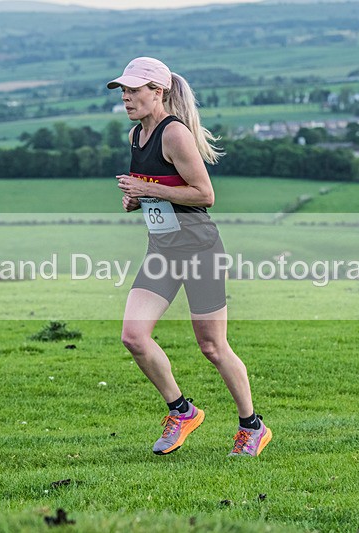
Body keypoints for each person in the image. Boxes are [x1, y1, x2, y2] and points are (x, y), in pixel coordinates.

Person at [108, 57, 271, 457]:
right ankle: (182, 411)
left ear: (157, 92)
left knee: (213, 347)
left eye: (134, 90)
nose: (127, 97)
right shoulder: (136, 136)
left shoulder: (174, 134)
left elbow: (204, 195)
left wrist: (152, 191)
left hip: (199, 249)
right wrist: (135, 198)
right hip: (162, 250)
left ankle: (253, 427)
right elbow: (154, 191)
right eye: (124, 91)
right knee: (134, 336)